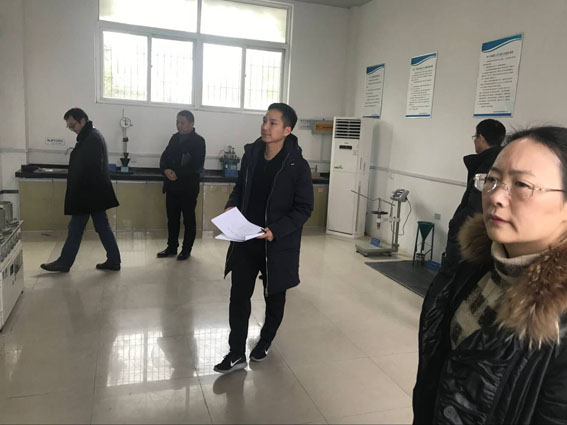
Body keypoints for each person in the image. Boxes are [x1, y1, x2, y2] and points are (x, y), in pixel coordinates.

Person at [413, 126, 567, 424]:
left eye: (522, 184)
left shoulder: (557, 319)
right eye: (492, 180)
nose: (496, 196)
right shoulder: (475, 262)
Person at [214, 103, 314, 374]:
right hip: (245, 239)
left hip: (276, 244)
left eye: (272, 122)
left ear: (287, 130)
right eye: (264, 120)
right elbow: (239, 188)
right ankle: (236, 353)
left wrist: (276, 230)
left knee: (274, 296)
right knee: (239, 296)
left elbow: (304, 208)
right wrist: (231, 205)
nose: (265, 127)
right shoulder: (252, 155)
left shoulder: (297, 166)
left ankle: (266, 339)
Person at [40, 108, 121, 273]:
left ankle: (64, 263)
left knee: (76, 228)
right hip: (93, 193)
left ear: (83, 121)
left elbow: (90, 168)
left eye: (72, 125)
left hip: (88, 193)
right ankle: (114, 260)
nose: (71, 129)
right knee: (101, 227)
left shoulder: (92, 138)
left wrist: (78, 191)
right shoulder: (90, 136)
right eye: (69, 126)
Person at [439, 119, 506, 278]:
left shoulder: (486, 167)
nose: (475, 141)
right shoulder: (500, 162)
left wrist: (456, 225)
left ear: (481, 138)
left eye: (475, 137)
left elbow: (475, 206)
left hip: (470, 235)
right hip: (484, 235)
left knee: (451, 277)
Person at [157, 110, 206, 261]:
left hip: (188, 188)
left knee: (188, 220)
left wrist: (177, 173)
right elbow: (164, 157)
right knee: (172, 219)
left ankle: (186, 249)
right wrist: (165, 170)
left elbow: (196, 165)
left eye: (182, 122)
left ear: (191, 123)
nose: (179, 125)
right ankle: (172, 247)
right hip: (172, 187)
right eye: (177, 122)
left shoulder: (198, 141)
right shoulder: (174, 138)